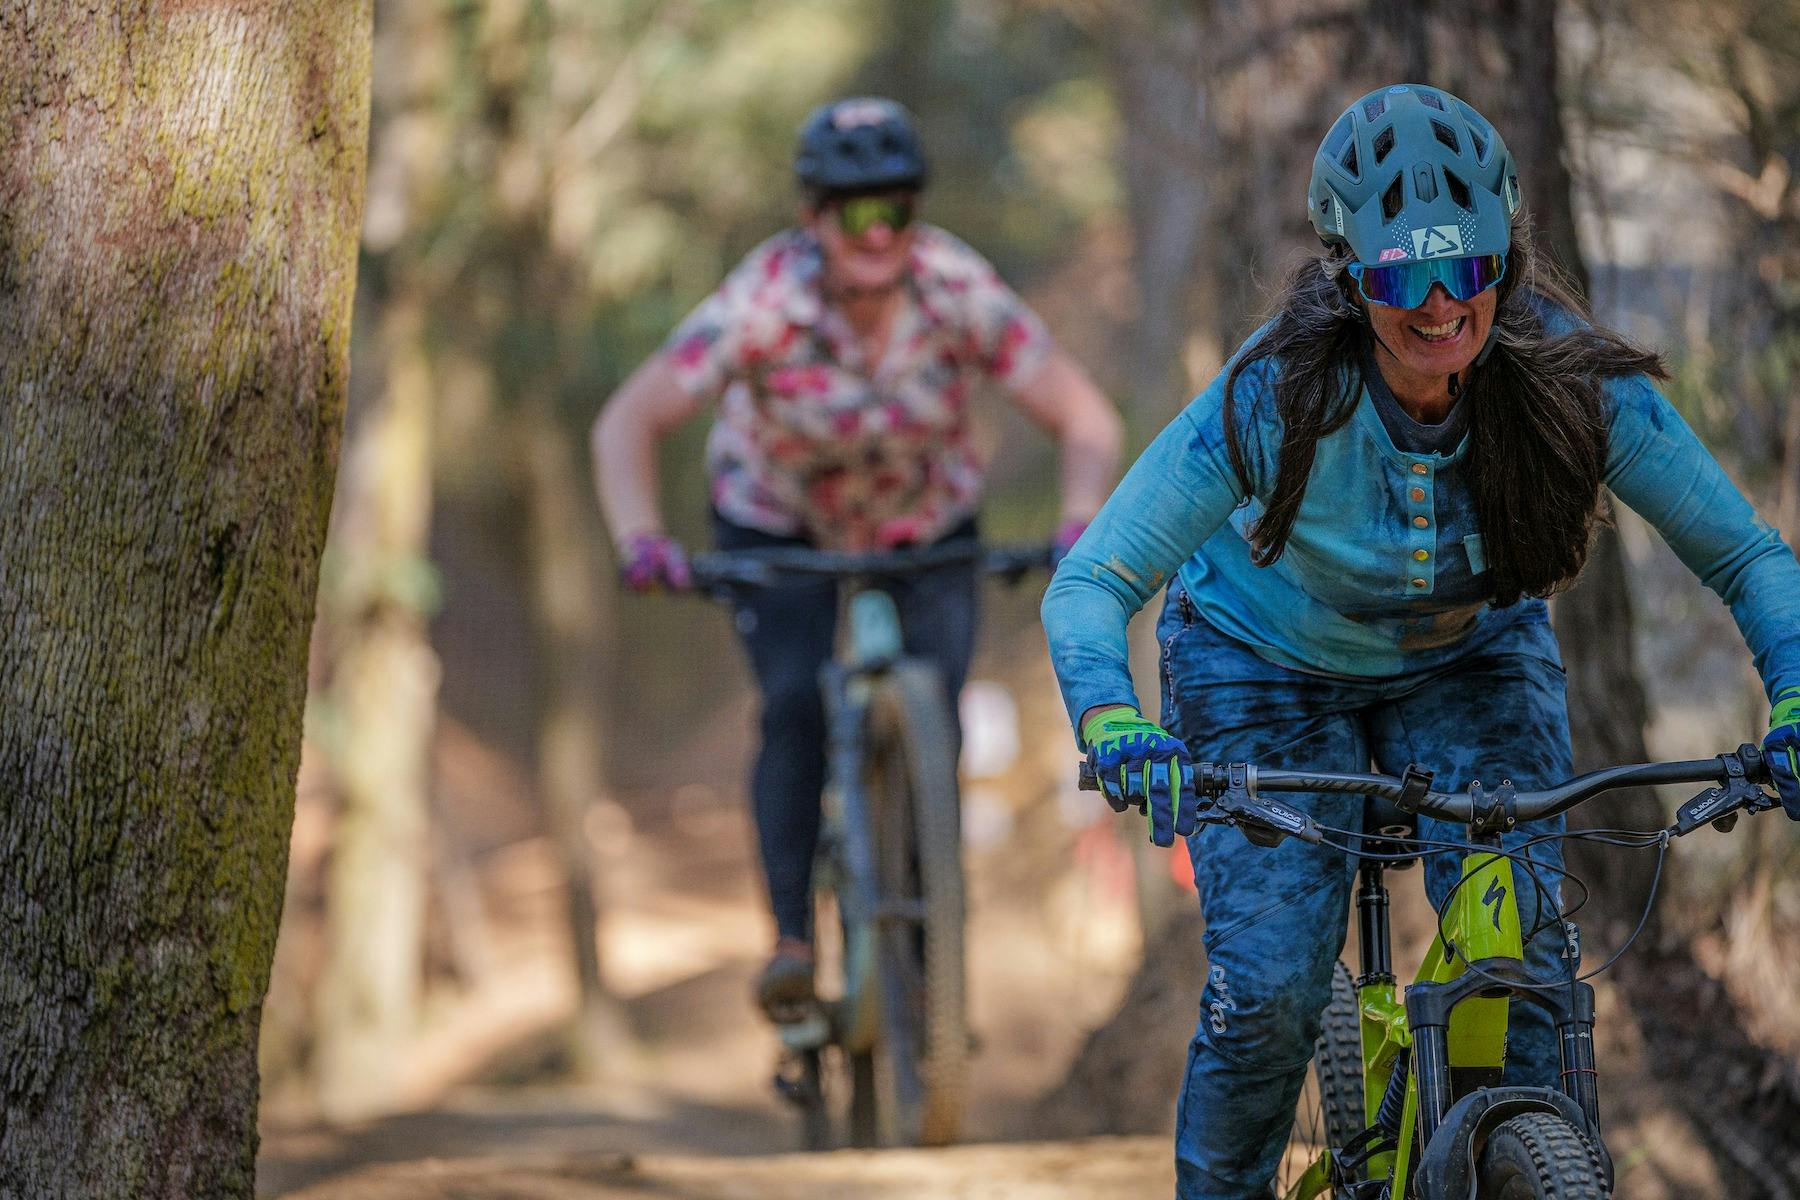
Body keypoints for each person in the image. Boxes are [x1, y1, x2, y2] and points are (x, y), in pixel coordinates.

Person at [1041, 82, 1800, 1199]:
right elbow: (1094, 579)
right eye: (1403, 276)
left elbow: (1747, 557)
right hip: (1261, 666)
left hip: (1472, 660)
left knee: (1524, 973)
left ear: (1509, 254)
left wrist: (1791, 697)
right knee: (1270, 992)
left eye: (1471, 266)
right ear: (1350, 275)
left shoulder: (1574, 384)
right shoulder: (1275, 393)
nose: (1443, 304)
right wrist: (1113, 718)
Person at [593, 96, 1122, 1015]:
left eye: (898, 208)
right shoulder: (764, 299)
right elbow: (627, 422)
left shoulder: (956, 287)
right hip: (777, 521)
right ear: (812, 216)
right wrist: (641, 539)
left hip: (927, 521)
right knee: (795, 703)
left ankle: (926, 957)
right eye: (854, 210)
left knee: (941, 716)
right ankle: (793, 940)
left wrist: (1079, 517)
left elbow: (1085, 417)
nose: (878, 232)